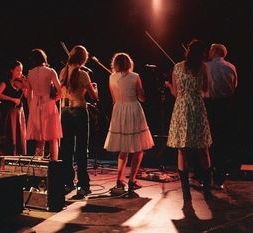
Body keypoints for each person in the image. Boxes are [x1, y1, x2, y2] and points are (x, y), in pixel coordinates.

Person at [165, 39, 213, 201]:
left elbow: (176, 93)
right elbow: (205, 89)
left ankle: (186, 193)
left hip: (181, 109)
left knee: (182, 150)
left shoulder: (177, 67)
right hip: (197, 108)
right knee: (203, 149)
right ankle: (207, 191)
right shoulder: (203, 67)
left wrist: (169, 86)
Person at [104, 52, 154, 194]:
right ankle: (132, 179)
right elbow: (142, 97)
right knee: (139, 147)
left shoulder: (111, 77)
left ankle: (119, 179)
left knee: (123, 148)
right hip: (133, 109)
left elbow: (114, 99)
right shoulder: (135, 76)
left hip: (119, 110)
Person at [59, 45, 99, 198]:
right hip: (79, 112)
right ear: (83, 59)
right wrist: (95, 88)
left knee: (67, 149)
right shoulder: (83, 74)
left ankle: (68, 182)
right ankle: (83, 185)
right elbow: (94, 97)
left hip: (65, 112)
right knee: (81, 150)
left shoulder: (63, 72)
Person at [205, 43, 238, 189]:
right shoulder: (231, 67)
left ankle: (207, 174)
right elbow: (234, 85)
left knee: (210, 140)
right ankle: (220, 178)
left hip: (211, 105)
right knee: (223, 140)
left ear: (216, 51)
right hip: (226, 105)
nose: (209, 52)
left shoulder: (206, 66)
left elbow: (203, 87)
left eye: (211, 50)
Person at [26, 49, 62, 161]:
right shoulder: (50, 71)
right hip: (48, 103)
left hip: (35, 105)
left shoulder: (30, 73)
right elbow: (60, 90)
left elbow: (28, 94)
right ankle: (54, 163)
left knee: (39, 138)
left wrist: (31, 108)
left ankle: (38, 163)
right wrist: (54, 99)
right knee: (53, 137)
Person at [0, 60, 28, 156]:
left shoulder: (21, 83)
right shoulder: (6, 82)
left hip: (19, 112)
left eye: (21, 71)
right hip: (10, 112)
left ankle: (20, 155)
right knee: (11, 135)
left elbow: (26, 96)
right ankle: (10, 154)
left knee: (20, 135)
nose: (20, 73)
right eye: (17, 70)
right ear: (12, 70)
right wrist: (12, 99)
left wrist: (26, 86)